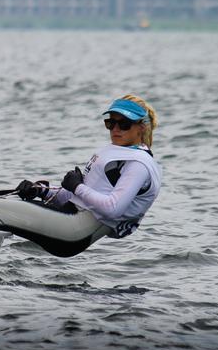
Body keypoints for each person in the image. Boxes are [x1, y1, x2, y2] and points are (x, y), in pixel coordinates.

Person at [14, 94, 162, 250]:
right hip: (69, 222)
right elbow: (79, 198)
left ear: (142, 127)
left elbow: (112, 209)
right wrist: (41, 191)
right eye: (110, 123)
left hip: (72, 231)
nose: (116, 129)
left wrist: (77, 186)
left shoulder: (138, 164)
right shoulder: (117, 155)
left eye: (124, 124)